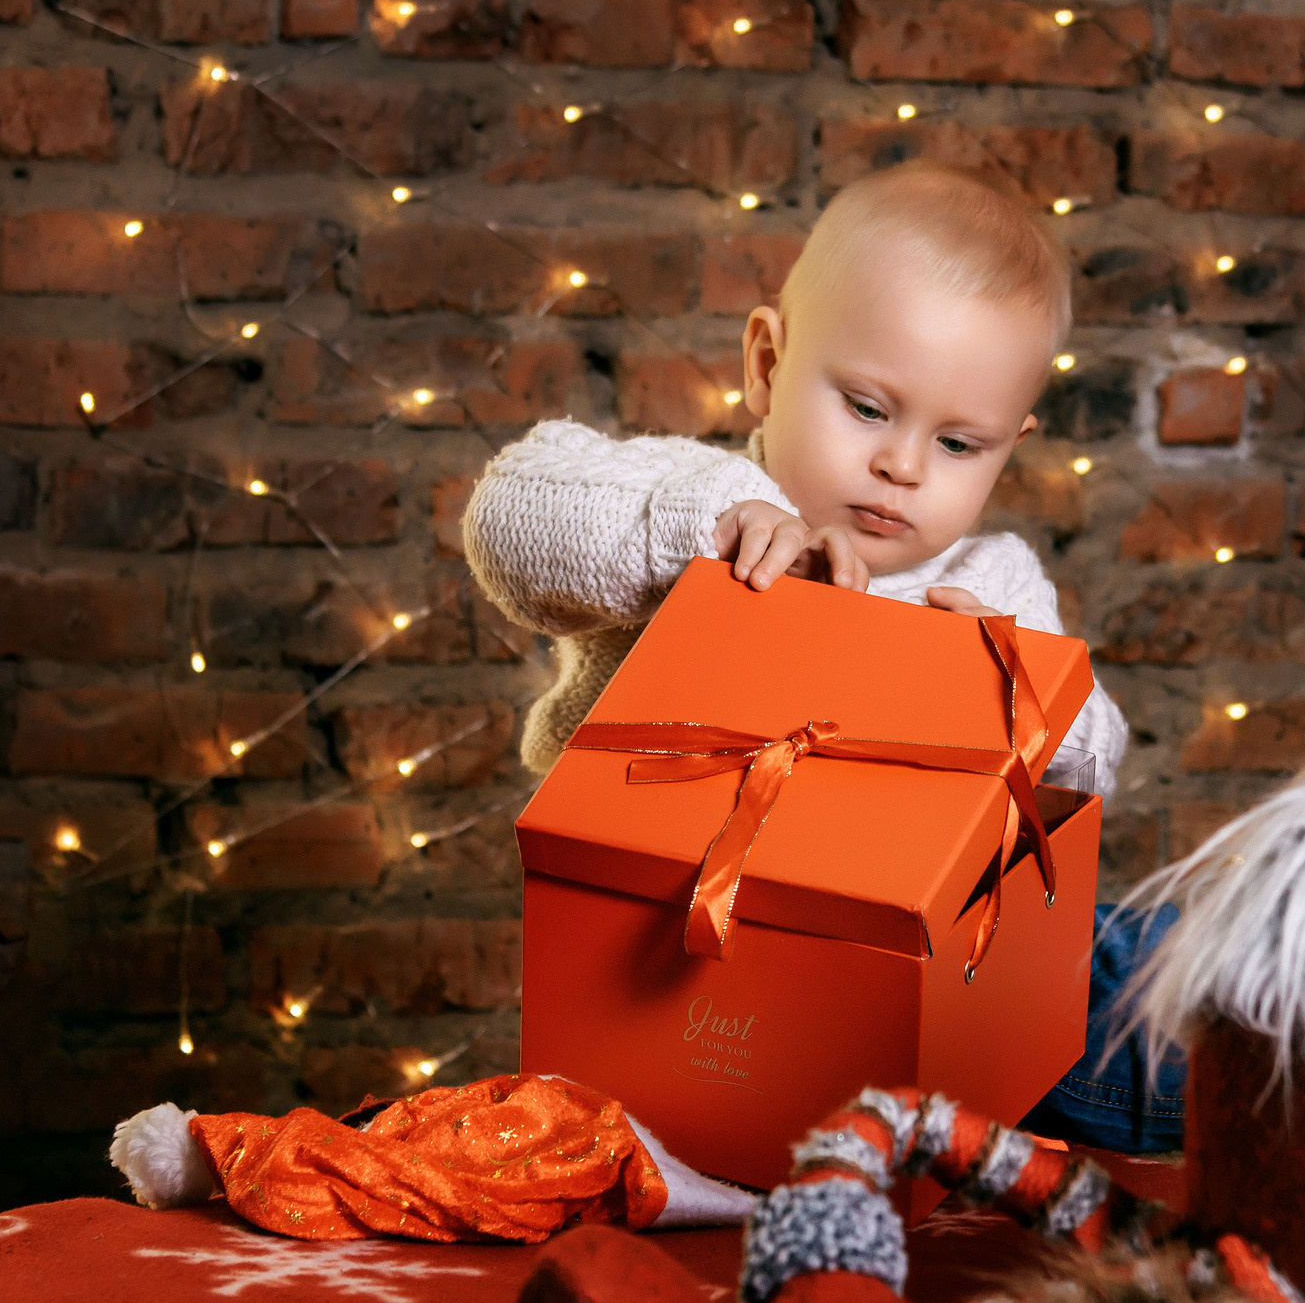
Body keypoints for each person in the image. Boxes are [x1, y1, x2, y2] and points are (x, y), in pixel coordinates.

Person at [459, 159, 1181, 1153]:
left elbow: (1092, 765)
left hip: (919, 991)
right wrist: (706, 528)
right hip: (672, 957)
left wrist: (1005, 682)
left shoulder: (993, 581)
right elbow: (511, 518)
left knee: (1179, 968)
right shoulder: (696, 496)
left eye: (960, 446)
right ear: (767, 363)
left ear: (1013, 444)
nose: (903, 467)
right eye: (870, 409)